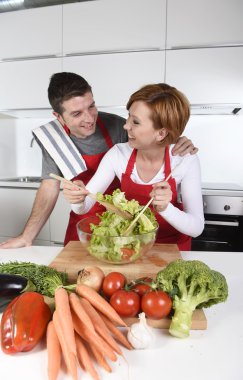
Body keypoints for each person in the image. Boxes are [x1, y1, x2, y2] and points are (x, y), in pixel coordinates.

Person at [0, 73, 198, 249]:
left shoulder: (118, 126)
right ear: (58, 117)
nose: (89, 118)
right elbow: (50, 188)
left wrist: (175, 141)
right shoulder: (53, 140)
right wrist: (27, 236)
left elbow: (153, 132)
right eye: (77, 113)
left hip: (125, 218)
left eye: (91, 106)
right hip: (93, 217)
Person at [63, 83, 204, 250]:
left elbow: (196, 228)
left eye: (135, 122)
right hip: (134, 249)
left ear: (161, 133)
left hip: (173, 250)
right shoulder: (118, 155)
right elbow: (83, 206)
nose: (126, 125)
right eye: (128, 116)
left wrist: (166, 208)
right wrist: (77, 198)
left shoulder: (183, 160)